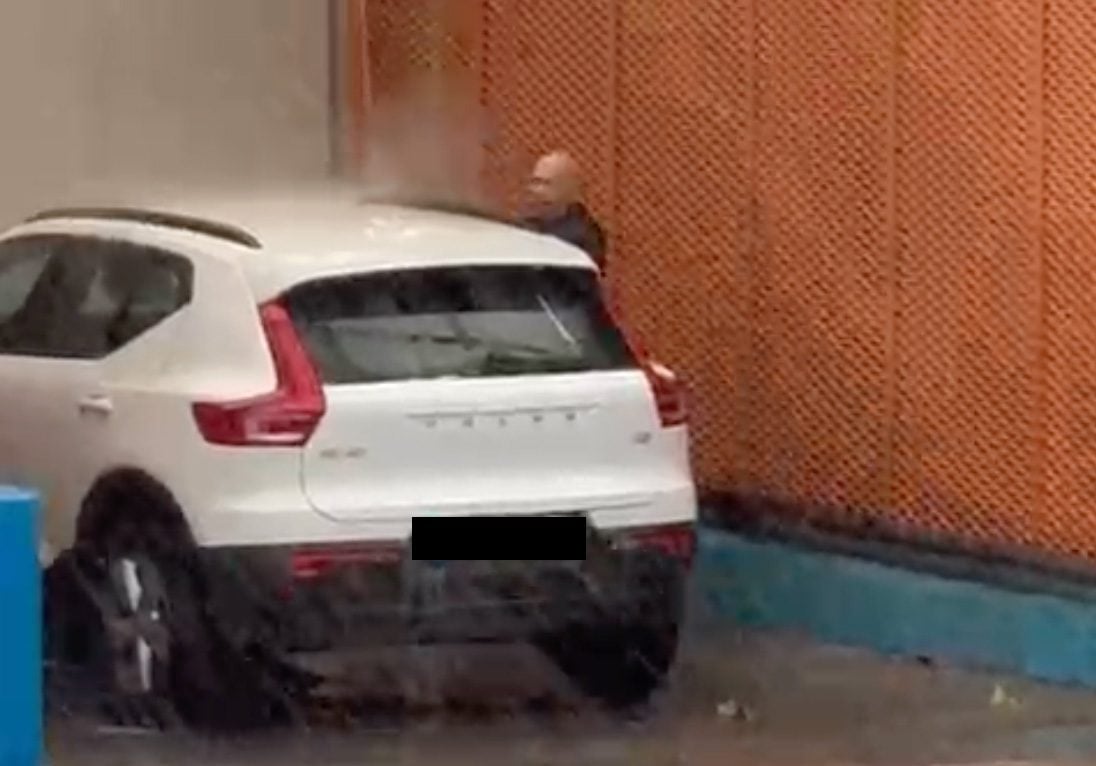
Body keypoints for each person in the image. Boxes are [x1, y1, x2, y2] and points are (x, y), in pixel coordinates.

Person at [519, 150, 608, 271]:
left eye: (546, 183)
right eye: (535, 182)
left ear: (567, 189)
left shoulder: (583, 236)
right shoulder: (525, 226)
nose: (536, 191)